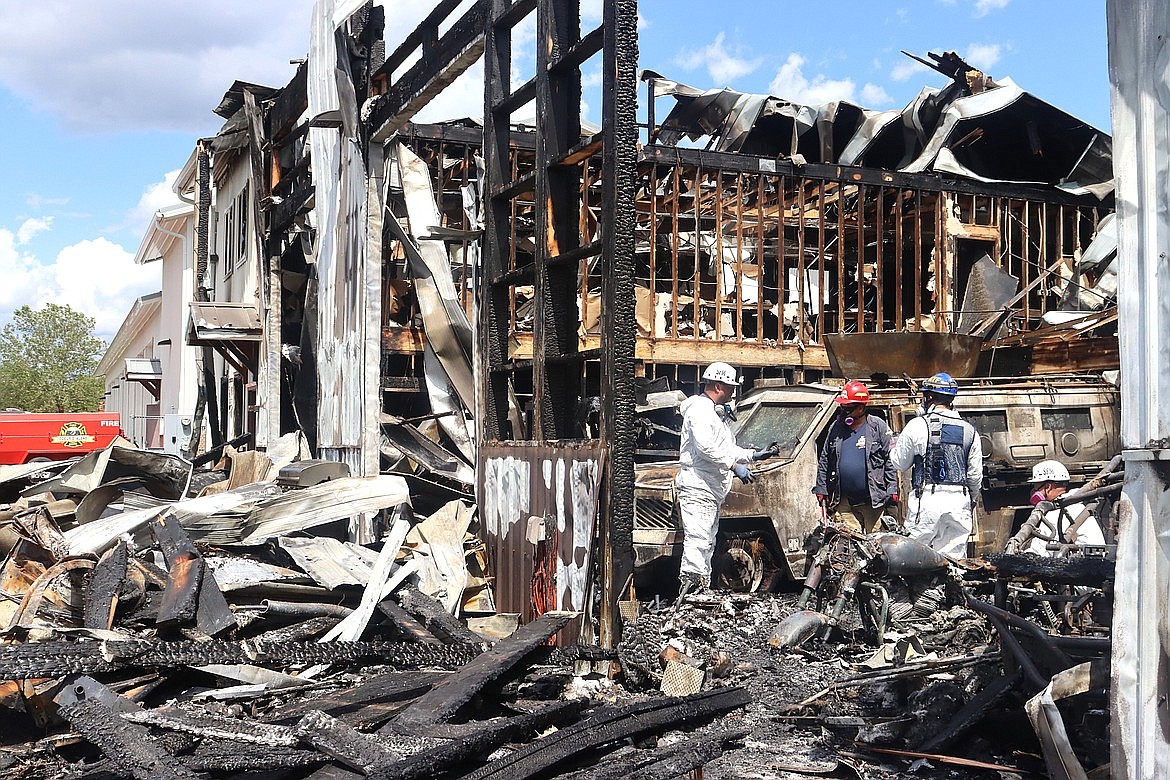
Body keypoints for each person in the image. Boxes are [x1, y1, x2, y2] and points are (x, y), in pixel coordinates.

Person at [676, 362, 778, 595]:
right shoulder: (700, 412)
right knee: (698, 540)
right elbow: (706, 448)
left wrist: (753, 455)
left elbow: (726, 448)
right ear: (718, 385)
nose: (733, 391)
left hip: (709, 489)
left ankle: (700, 591)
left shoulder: (711, 413)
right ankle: (691, 591)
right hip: (698, 486)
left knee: (707, 541)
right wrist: (734, 467)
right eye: (731, 386)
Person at [889, 372, 983, 558]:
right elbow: (975, 476)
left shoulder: (917, 425)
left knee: (915, 558)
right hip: (959, 501)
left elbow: (899, 462)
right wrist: (970, 500)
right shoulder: (970, 431)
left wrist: (893, 445)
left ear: (929, 397)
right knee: (954, 562)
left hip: (927, 500)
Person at [812, 380, 898, 533]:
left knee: (877, 545)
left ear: (861, 408)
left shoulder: (878, 427)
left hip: (874, 500)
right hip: (845, 502)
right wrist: (822, 488)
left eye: (848, 408)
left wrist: (892, 489)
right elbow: (825, 458)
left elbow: (890, 459)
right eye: (842, 407)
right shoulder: (836, 428)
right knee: (848, 546)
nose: (844, 412)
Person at [1006, 460, 1106, 555]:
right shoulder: (1077, 505)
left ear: (1048, 487)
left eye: (1036, 488)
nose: (1034, 492)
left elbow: (1040, 552)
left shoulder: (1056, 513)